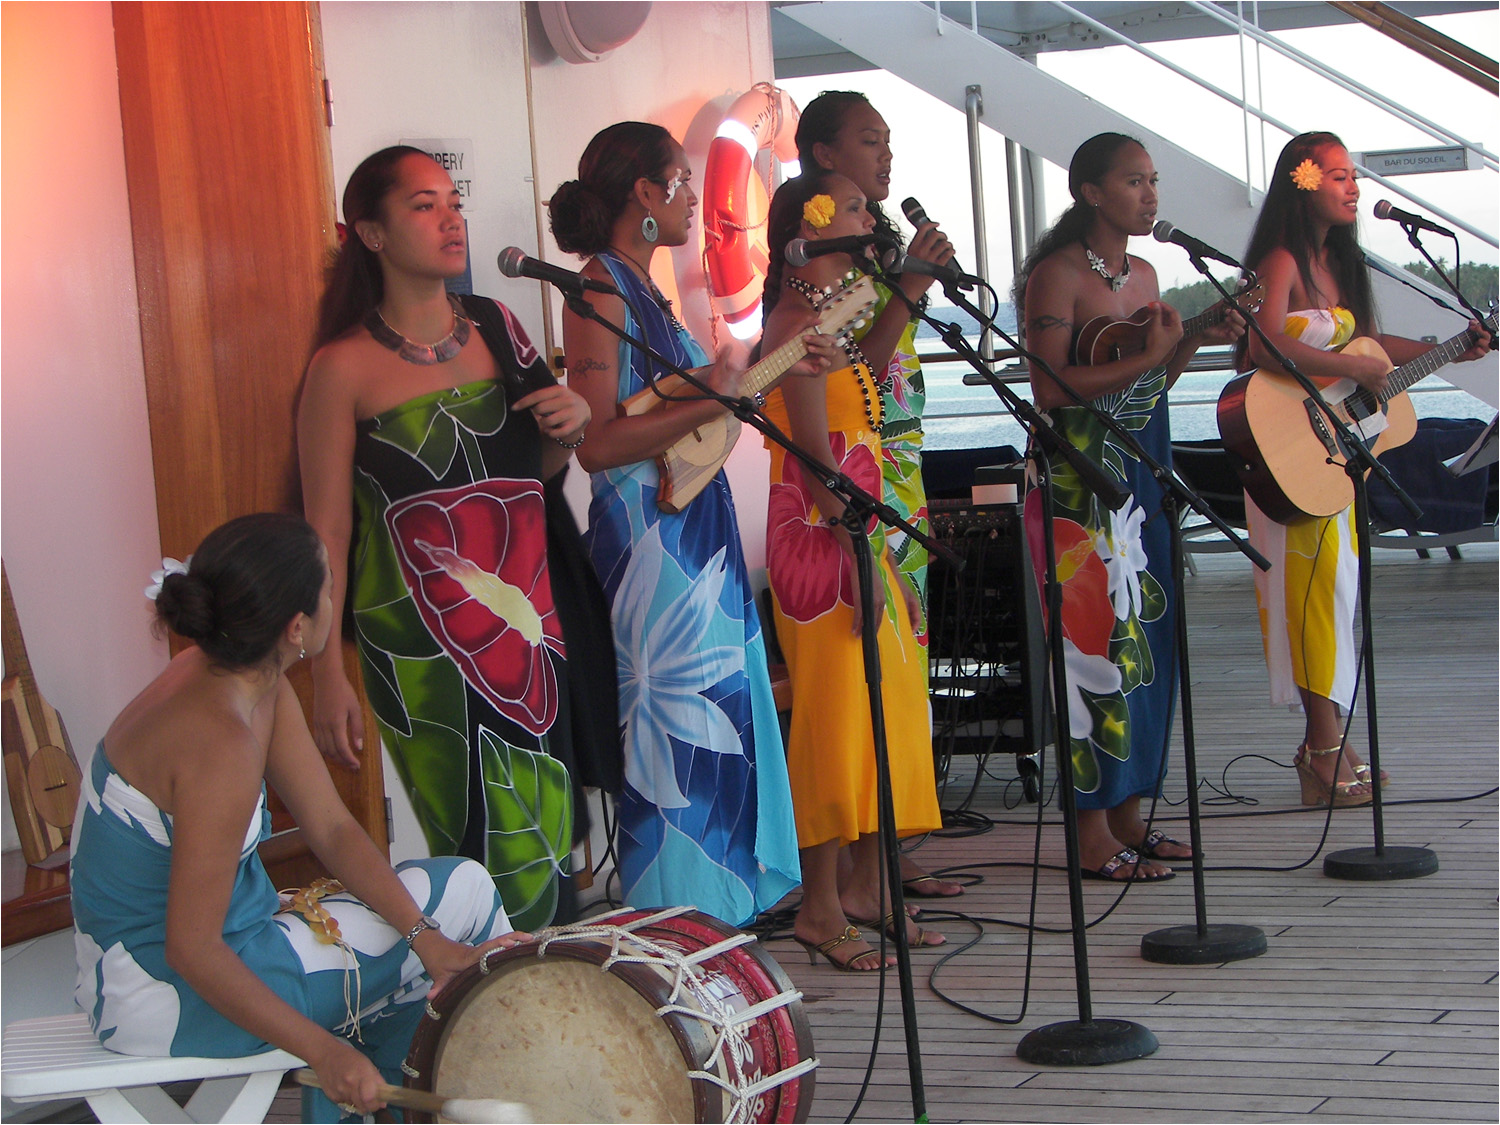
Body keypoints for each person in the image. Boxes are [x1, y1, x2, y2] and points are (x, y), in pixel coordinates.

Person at [70, 513, 528, 1123]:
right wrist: (322, 1050)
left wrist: (426, 938)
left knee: (434, 926)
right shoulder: (220, 739)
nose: (336, 599)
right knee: (465, 894)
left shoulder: (238, 679)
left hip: (152, 975)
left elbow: (331, 828)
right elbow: (192, 949)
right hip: (171, 999)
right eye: (330, 589)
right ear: (297, 627)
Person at [298, 146, 592, 930]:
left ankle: (555, 1011)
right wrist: (326, 672)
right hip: (420, 651)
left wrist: (574, 425)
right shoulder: (341, 366)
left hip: (530, 626)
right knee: (470, 846)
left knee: (546, 834)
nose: (450, 217)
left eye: (451, 199)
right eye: (422, 205)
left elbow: (539, 468)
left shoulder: (498, 326)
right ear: (369, 232)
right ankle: (486, 1020)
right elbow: (323, 530)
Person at [548, 121, 835, 925]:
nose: (687, 200)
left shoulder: (643, 287)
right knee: (679, 737)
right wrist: (720, 393)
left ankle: (720, 923)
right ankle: (684, 928)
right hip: (655, 551)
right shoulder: (601, 287)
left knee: (719, 725)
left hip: (691, 539)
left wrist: (748, 379)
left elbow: (687, 420)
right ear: (642, 192)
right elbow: (599, 444)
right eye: (678, 182)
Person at [1015, 133, 1243, 880]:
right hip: (1081, 482)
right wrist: (1153, 352)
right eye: (1134, 182)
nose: (1149, 195)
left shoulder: (1144, 272)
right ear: (1090, 192)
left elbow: (1152, 385)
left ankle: (1130, 813)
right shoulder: (1058, 275)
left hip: (1142, 470)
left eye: (1153, 181)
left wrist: (1198, 336)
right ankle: (1089, 832)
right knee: (1092, 648)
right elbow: (1048, 389)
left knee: (1144, 644)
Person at [1238, 132, 1491, 805]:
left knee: (1339, 594)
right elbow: (1260, 341)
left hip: (1339, 454)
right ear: (1303, 181)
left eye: (1355, 176)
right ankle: (1322, 748)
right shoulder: (1281, 257)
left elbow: (1373, 347)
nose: (1353, 187)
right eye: (1340, 175)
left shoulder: (1340, 264)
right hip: (1287, 447)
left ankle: (1327, 741)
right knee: (1312, 596)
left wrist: (1453, 349)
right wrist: (1352, 367)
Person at [760, 169, 945, 969]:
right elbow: (810, 461)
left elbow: (864, 375)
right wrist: (856, 554)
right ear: (819, 222)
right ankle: (821, 904)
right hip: (820, 539)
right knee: (837, 718)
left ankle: (871, 887)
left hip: (860, 530)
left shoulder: (832, 320)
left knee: (886, 708)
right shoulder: (792, 326)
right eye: (864, 207)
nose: (876, 214)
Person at [793, 89, 966, 901]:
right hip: (848, 491)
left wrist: (911, 280)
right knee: (855, 689)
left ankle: (880, 861)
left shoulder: (858, 272)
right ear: (824, 161)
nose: (886, 158)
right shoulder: (813, 289)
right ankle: (851, 878)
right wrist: (911, 288)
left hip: (895, 480)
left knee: (897, 681)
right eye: (870, 142)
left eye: (889, 143)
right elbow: (861, 361)